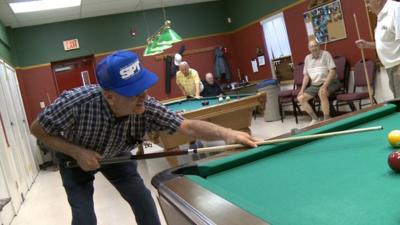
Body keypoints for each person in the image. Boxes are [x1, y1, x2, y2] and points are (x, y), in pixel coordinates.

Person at [30, 50, 258, 225]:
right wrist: (77, 152)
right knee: (85, 218)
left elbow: (187, 126)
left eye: (144, 86)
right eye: (133, 91)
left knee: (144, 202)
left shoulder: (146, 107)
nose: (144, 96)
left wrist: (229, 134)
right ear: (109, 97)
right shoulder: (76, 102)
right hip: (74, 157)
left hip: (116, 153)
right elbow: (37, 129)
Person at [355, 0, 400, 98]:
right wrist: (367, 45)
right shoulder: (380, 15)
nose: (366, 6)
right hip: (390, 67)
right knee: (397, 99)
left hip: (398, 66)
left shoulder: (396, 9)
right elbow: (386, 42)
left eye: (368, 2)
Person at [297, 39, 340, 125]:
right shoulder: (307, 58)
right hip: (315, 84)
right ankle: (315, 119)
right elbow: (306, 75)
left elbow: (332, 71)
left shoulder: (326, 54)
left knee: (322, 92)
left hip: (330, 81)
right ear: (309, 49)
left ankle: (326, 119)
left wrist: (324, 85)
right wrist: (302, 90)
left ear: (319, 46)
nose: (314, 48)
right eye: (311, 46)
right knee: (300, 98)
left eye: (315, 45)